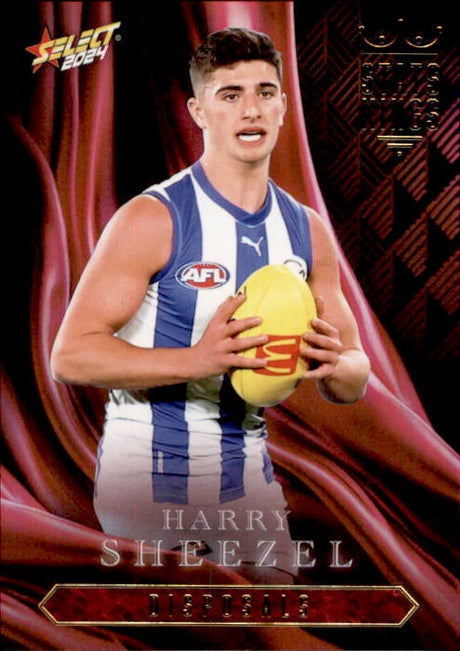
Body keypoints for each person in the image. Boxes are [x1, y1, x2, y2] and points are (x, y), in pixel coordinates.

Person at [51, 27, 370, 583]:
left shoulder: (305, 230)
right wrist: (198, 360)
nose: (251, 110)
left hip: (247, 475)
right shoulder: (153, 217)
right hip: (148, 476)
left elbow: (353, 377)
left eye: (264, 92)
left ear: (283, 105)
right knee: (204, 618)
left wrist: (334, 363)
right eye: (230, 95)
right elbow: (71, 357)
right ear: (199, 111)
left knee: (276, 614)